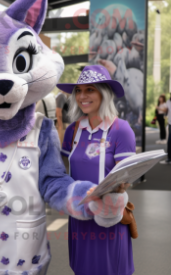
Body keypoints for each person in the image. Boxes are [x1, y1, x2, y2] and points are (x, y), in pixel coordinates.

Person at [57, 65, 136, 275]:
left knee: (109, 268)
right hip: (80, 216)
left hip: (108, 216)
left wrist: (122, 184)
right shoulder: (73, 130)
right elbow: (63, 171)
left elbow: (126, 176)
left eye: (90, 90)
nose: (82, 96)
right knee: (82, 268)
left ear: (104, 93)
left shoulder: (121, 129)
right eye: (79, 91)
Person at [160, 93, 171, 164]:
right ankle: (169, 158)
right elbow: (166, 110)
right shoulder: (168, 101)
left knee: (170, 141)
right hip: (170, 123)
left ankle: (169, 158)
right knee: (170, 141)